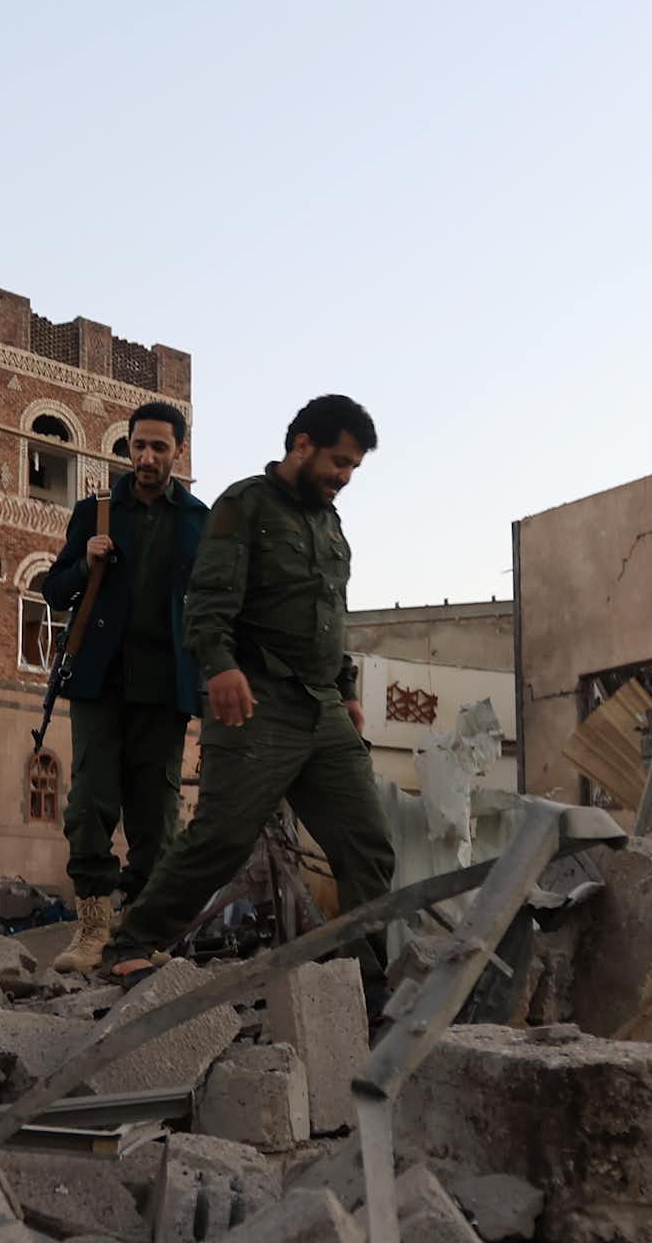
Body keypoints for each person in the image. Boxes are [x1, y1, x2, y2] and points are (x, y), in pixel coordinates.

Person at [103, 394, 396, 993]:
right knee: (222, 836)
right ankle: (132, 942)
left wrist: (346, 690)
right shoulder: (246, 505)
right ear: (303, 445)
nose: (344, 478)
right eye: (339, 462)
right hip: (256, 699)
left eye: (354, 469)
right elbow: (206, 599)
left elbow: (330, 615)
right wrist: (219, 667)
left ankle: (367, 984)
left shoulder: (329, 523)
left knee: (367, 843)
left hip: (323, 709)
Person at [40, 401, 210, 973]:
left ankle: (142, 932)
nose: (146, 457)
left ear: (178, 452)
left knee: (157, 811)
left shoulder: (199, 521)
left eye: (159, 447)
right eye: (139, 445)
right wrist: (85, 563)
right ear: (128, 447)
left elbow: (213, 605)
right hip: (100, 681)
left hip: (166, 687)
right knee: (90, 802)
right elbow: (53, 590)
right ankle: (91, 929)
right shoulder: (97, 513)